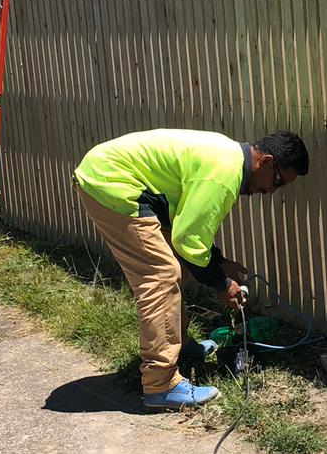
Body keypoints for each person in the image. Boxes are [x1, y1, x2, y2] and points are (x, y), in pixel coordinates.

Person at [73, 127, 309, 409]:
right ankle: (161, 384)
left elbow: (188, 229)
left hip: (123, 179)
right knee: (161, 276)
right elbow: (189, 241)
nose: (270, 191)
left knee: (174, 264)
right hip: (111, 181)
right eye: (277, 182)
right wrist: (222, 284)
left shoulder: (228, 157)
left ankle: (179, 344)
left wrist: (219, 263)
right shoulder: (223, 176)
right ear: (266, 162)